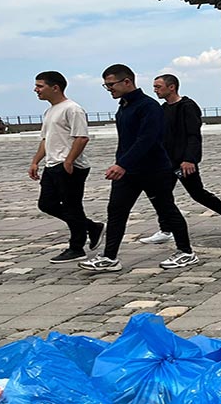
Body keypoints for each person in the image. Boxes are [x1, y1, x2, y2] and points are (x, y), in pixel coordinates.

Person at [80, 64, 197, 273]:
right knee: (116, 211)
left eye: (111, 85)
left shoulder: (148, 106)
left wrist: (122, 164)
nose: (109, 89)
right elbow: (126, 141)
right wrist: (121, 163)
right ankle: (109, 257)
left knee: (166, 209)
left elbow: (147, 140)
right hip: (129, 172)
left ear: (127, 82)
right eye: (105, 86)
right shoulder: (124, 106)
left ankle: (186, 252)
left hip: (154, 170)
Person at [141, 73, 221, 242]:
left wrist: (190, 159)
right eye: (154, 87)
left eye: (158, 87)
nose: (155, 90)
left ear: (171, 87)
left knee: (197, 193)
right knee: (161, 194)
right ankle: (166, 229)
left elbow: (193, 135)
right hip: (166, 161)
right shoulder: (163, 109)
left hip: (183, 162)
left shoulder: (187, 106)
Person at [28, 71, 103, 263]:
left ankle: (76, 247)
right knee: (46, 204)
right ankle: (92, 227)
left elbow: (82, 137)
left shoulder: (73, 109)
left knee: (72, 207)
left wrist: (69, 160)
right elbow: (46, 139)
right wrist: (36, 161)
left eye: (40, 86)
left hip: (70, 166)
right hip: (52, 165)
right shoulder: (49, 111)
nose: (36, 90)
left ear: (55, 87)